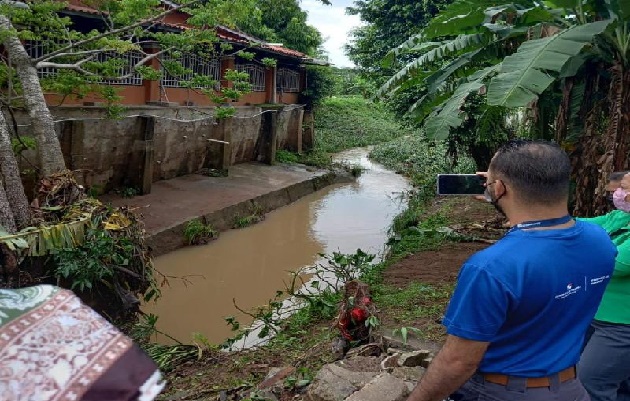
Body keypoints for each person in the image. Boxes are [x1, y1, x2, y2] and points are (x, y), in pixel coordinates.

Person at [406, 139, 617, 401]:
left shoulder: (491, 267)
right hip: (569, 388)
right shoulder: (601, 241)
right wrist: (501, 193)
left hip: (503, 392)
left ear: (499, 188)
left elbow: (458, 363)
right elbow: (554, 227)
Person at [577, 171, 630, 401]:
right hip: (598, 315)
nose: (620, 194)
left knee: (591, 381)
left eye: (626, 190)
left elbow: (615, 264)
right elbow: (579, 226)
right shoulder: (622, 217)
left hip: (622, 326)